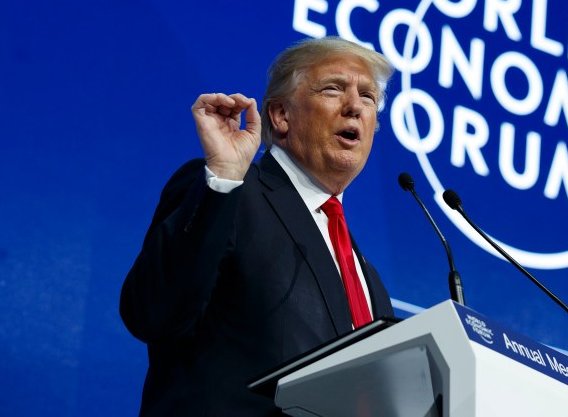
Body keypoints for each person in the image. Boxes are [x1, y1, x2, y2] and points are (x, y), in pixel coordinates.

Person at [120, 36, 395, 416]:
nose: (354, 107)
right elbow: (151, 312)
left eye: (368, 98)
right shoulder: (230, 193)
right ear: (281, 116)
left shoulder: (369, 280)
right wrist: (222, 179)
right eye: (333, 89)